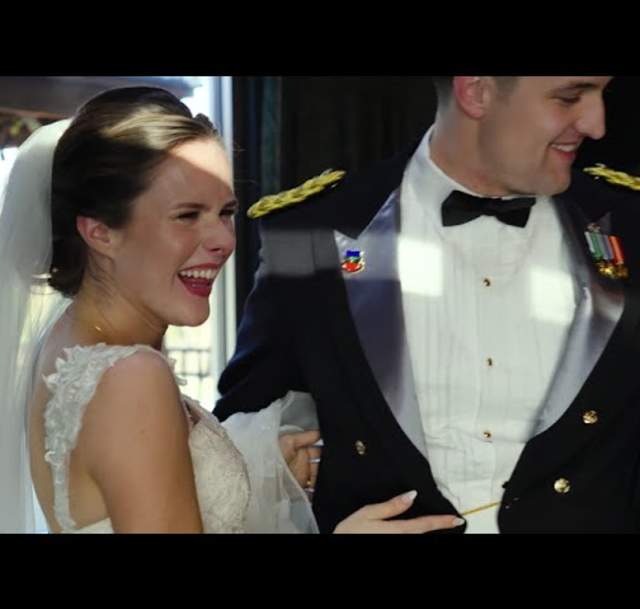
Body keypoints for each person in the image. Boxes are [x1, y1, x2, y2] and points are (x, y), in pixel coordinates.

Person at [0, 86, 463, 534]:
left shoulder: (69, 342)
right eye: (187, 215)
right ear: (101, 233)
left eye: (225, 212)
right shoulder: (131, 376)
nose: (223, 240)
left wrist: (256, 475)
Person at [216, 76, 640, 533]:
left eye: (601, 95)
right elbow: (238, 450)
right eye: (570, 97)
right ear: (476, 91)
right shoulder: (312, 232)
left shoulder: (629, 227)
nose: (597, 124)